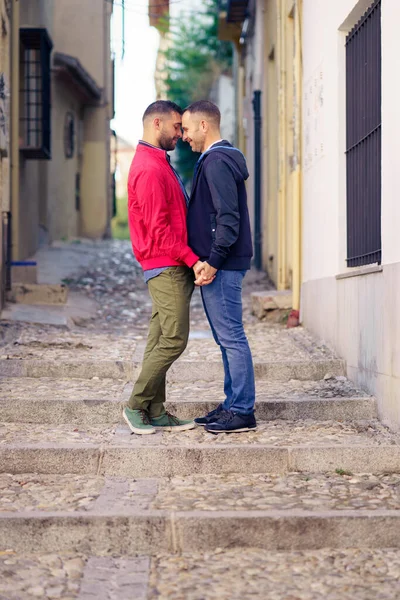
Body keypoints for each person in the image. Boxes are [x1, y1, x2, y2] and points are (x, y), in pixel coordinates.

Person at [123, 100, 207, 435]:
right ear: (157, 123)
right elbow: (158, 230)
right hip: (166, 265)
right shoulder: (149, 167)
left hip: (172, 265)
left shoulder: (160, 162)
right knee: (174, 339)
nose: (180, 134)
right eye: (176, 127)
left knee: (159, 340)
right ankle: (134, 405)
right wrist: (192, 260)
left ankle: (156, 411)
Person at [182, 100, 256, 433]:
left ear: (203, 126)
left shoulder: (215, 162)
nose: (184, 136)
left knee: (232, 337)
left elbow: (228, 217)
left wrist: (212, 261)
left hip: (222, 266)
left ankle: (242, 410)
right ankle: (231, 404)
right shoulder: (217, 160)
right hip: (221, 264)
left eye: (186, 129)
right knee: (226, 338)